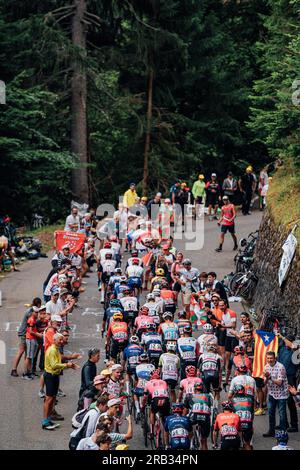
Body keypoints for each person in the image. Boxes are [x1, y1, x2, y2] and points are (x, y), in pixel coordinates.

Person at [43, 333, 79, 430]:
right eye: (60, 340)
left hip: (54, 375)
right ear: (54, 340)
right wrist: (67, 365)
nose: (62, 341)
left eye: (62, 340)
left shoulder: (56, 349)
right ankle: (45, 422)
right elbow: (54, 365)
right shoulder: (52, 350)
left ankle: (49, 418)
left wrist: (70, 364)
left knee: (53, 398)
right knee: (49, 399)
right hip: (50, 375)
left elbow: (59, 362)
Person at [11, 297, 42, 377]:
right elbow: (33, 324)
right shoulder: (30, 312)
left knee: (28, 353)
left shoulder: (33, 310)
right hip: (24, 333)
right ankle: (14, 369)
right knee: (21, 351)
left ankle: (28, 370)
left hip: (28, 334)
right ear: (38, 304)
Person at [263, 351, 289, 437]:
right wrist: (266, 378)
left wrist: (270, 377)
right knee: (271, 413)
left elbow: (280, 383)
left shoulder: (281, 367)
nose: (269, 360)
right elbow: (264, 383)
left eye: (271, 358)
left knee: (282, 413)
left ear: (275, 358)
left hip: (282, 393)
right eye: (268, 358)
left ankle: (282, 432)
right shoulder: (266, 367)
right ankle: (271, 431)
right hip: (272, 393)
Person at [277, 333, 299, 432]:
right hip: (281, 377)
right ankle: (283, 423)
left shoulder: (296, 351)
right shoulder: (281, 348)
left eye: (288, 341)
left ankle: (294, 425)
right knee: (281, 401)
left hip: (290, 377)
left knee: (290, 402)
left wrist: (282, 336)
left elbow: (293, 345)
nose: (286, 343)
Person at [183, 381, 212, 451]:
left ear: (194, 389)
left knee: (187, 423)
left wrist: (183, 419)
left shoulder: (189, 396)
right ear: (202, 389)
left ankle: (190, 440)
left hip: (194, 416)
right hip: (205, 417)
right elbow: (208, 407)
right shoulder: (208, 396)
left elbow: (185, 410)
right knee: (204, 441)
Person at [231, 384, 254, 450]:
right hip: (248, 422)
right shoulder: (250, 399)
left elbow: (231, 413)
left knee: (236, 444)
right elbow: (252, 413)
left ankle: (239, 443)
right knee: (247, 444)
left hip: (238, 423)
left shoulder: (232, 399)